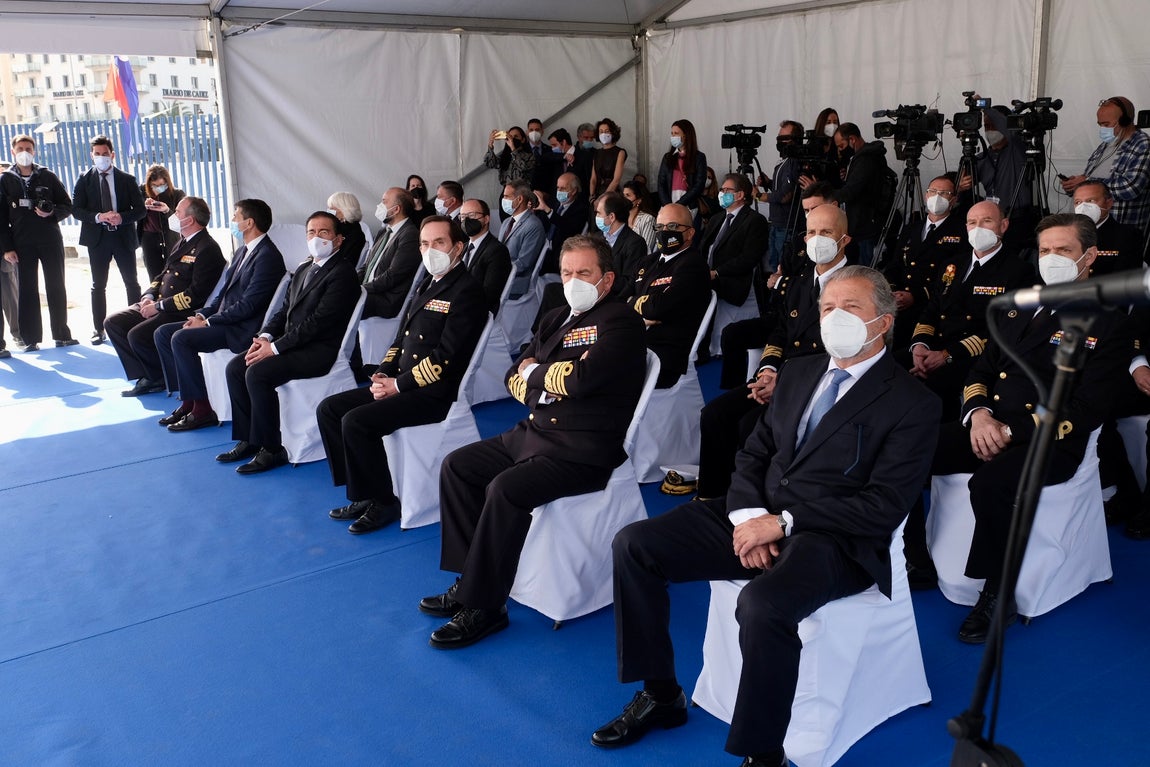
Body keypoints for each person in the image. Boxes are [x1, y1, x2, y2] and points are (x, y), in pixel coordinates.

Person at [593, 265, 939, 766]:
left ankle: (763, 752)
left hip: (835, 538)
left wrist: (783, 523)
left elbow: (884, 504)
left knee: (762, 605)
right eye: (827, 308)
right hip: (759, 513)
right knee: (635, 545)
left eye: (851, 308)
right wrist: (751, 516)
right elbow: (753, 454)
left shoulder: (912, 402)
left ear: (883, 322)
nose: (833, 317)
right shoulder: (798, 373)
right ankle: (662, 694)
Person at [418, 234, 647, 648]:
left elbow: (579, 380)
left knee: (504, 489)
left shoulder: (621, 322)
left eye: (584, 273)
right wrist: (536, 377)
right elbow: (513, 375)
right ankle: (470, 576)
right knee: (458, 466)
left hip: (583, 448)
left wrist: (535, 374)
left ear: (607, 279)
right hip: (534, 433)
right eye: (567, 272)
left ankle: (485, 607)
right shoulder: (555, 316)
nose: (573, 280)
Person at [924, 213, 1128, 642]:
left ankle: (997, 594)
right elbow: (981, 369)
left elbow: (1087, 406)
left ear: (1089, 256)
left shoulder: (1107, 322)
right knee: (912, 448)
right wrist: (978, 415)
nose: (1051, 258)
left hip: (1051, 439)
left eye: (1064, 250)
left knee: (992, 484)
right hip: (988, 423)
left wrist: (1011, 432)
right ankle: (911, 558)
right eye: (1045, 250)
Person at [317, 216, 487, 534]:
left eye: (439, 242)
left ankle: (384, 502)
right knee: (330, 410)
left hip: (433, 392)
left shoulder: (466, 291)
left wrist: (398, 384)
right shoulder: (428, 282)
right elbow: (401, 340)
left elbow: (445, 359)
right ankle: (362, 491)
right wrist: (384, 371)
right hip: (404, 382)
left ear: (458, 247)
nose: (429, 249)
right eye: (424, 243)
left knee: (356, 422)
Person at [697, 204, 847, 499]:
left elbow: (844, 354)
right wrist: (768, 370)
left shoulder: (856, 286)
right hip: (781, 378)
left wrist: (785, 383)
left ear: (845, 240)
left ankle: (748, 500)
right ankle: (712, 499)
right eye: (812, 232)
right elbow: (780, 332)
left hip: (821, 387)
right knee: (714, 415)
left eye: (827, 232)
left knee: (749, 427)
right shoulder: (798, 283)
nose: (818, 239)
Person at [218, 211, 359, 475]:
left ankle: (271, 448)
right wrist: (265, 337)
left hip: (318, 350)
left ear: (338, 240)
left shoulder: (343, 273)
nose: (316, 237)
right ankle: (249, 437)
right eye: (311, 232)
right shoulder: (305, 267)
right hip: (290, 344)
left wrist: (275, 348)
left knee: (258, 374)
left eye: (324, 232)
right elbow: (284, 311)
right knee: (236, 367)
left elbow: (318, 323)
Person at [153, 199, 285, 431]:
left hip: (241, 328)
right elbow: (220, 294)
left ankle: (202, 410)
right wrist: (201, 316)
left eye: (236, 216)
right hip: (223, 320)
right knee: (164, 333)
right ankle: (189, 401)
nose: (232, 221)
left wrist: (208, 322)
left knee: (181, 339)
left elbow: (249, 306)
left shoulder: (268, 257)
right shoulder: (244, 250)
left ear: (249, 223)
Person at [908, 200, 1036, 421]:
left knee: (931, 390)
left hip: (972, 356)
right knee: (890, 369)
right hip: (934, 347)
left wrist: (947, 355)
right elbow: (933, 309)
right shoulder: (952, 265)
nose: (978, 228)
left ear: (1003, 226)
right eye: (972, 222)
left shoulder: (1018, 271)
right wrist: (920, 345)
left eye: (986, 221)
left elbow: (1003, 329)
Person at [104, 196, 226, 397]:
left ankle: (155, 377)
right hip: (158, 302)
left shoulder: (207, 249)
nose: (174, 215)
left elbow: (195, 295)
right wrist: (149, 296)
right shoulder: (182, 242)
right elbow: (163, 274)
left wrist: (159, 307)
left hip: (179, 311)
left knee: (137, 335)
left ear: (190, 220)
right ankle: (147, 374)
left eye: (178, 212)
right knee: (113, 323)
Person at [0, 134, 76, 352]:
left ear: (34, 152)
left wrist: (51, 213)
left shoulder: (47, 175)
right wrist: (7, 248)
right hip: (22, 242)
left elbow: (67, 205)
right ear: (13, 151)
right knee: (27, 289)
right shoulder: (6, 180)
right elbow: (1, 218)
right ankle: (30, 338)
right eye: (20, 148)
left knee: (56, 285)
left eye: (29, 148)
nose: (25, 152)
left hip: (50, 239)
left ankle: (62, 334)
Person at [72, 134, 147, 344]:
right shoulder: (84, 179)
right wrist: (98, 217)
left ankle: (136, 325)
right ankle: (99, 329)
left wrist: (121, 217)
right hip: (98, 239)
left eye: (105, 154)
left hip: (122, 237)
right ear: (92, 155)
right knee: (98, 285)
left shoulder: (127, 179)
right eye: (97, 154)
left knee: (131, 282)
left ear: (112, 155)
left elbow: (140, 210)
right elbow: (76, 210)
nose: (101, 158)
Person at [882, 174, 969, 350]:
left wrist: (916, 296)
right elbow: (894, 265)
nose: (937, 197)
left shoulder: (961, 231)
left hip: (931, 307)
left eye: (944, 193)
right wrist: (892, 291)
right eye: (933, 191)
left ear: (953, 199)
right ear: (926, 195)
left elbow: (958, 275)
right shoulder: (911, 228)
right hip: (900, 306)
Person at [1060, 97, 1150, 238]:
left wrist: (1086, 182)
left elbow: (1130, 188)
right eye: (1100, 124)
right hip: (1091, 228)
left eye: (1106, 124)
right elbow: (1090, 179)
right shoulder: (1105, 146)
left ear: (1125, 121)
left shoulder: (1142, 145)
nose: (1102, 129)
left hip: (1120, 230)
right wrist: (1076, 185)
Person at [700, 173, 770, 311]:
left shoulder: (755, 220)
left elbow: (749, 258)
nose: (722, 193)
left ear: (740, 195)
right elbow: (704, 247)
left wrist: (716, 272)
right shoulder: (716, 218)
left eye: (727, 190)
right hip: (707, 285)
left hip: (731, 287)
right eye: (722, 190)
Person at [829, 123, 889, 266]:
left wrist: (826, 196)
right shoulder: (862, 157)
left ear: (852, 139)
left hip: (865, 226)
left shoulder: (866, 159)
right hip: (862, 223)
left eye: (841, 146)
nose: (840, 151)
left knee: (863, 270)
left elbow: (852, 191)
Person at [360, 187, 420, 319]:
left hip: (385, 299)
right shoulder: (384, 232)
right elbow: (366, 266)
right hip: (369, 291)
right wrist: (351, 284)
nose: (380, 206)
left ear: (396, 209)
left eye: (384, 202)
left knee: (339, 303)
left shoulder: (410, 234)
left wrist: (362, 289)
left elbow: (393, 275)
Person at [1071, 180, 1144, 275]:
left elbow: (1125, 279)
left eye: (1091, 201)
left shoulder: (1128, 235)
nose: (1083, 206)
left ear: (1108, 203)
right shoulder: (1067, 234)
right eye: (1078, 202)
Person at [458, 198, 512, 316]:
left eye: (471, 215)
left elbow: (490, 294)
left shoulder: (497, 250)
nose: (466, 220)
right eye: (462, 216)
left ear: (486, 219)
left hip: (474, 312)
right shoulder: (463, 248)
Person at [764, 120, 805, 271]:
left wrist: (760, 196)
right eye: (778, 138)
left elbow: (786, 195)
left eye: (784, 138)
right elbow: (781, 188)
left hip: (787, 227)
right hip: (776, 224)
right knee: (774, 267)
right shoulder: (783, 161)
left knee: (784, 268)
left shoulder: (794, 162)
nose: (780, 142)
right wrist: (768, 182)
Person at [594, 191, 648, 299]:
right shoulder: (596, 238)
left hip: (614, 301)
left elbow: (629, 282)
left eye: (599, 213)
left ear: (612, 217)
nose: (596, 216)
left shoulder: (635, 243)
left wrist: (598, 281)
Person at [533, 171, 589, 274]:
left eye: (563, 188)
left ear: (574, 191)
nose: (559, 191)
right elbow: (542, 225)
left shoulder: (581, 209)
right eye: (558, 187)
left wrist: (548, 211)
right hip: (542, 248)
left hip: (559, 255)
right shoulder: (553, 202)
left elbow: (568, 228)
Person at [498, 181, 546, 299]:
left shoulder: (533, 225)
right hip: (500, 278)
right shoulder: (506, 222)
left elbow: (524, 263)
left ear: (519, 199)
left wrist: (496, 271)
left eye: (506, 196)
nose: (503, 200)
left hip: (515, 283)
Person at [137, 164, 185, 281]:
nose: (159, 188)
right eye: (155, 185)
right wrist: (144, 206)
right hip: (149, 239)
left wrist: (167, 210)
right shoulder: (141, 192)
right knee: (154, 277)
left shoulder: (177, 194)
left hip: (170, 238)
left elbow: (181, 221)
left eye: (162, 185)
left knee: (172, 276)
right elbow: (134, 213)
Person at [656, 119, 707, 210]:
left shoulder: (699, 157)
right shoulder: (667, 157)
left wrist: (680, 204)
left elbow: (699, 184)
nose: (673, 136)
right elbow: (661, 183)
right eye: (672, 133)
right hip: (668, 202)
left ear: (686, 135)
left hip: (688, 203)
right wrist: (667, 204)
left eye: (676, 133)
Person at [326, 191, 368, 265]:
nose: (329, 211)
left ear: (344, 209)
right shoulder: (341, 228)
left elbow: (343, 262)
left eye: (332, 208)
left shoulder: (355, 235)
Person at [590, 118, 626, 200]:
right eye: (601, 131)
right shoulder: (597, 153)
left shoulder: (620, 152)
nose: (603, 134)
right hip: (596, 193)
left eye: (607, 131)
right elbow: (593, 179)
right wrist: (592, 196)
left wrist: (601, 199)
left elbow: (616, 180)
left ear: (613, 133)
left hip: (611, 194)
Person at [621, 180, 656, 252]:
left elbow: (647, 249)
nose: (624, 199)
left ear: (639, 200)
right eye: (623, 195)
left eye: (628, 195)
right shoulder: (621, 218)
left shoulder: (648, 219)